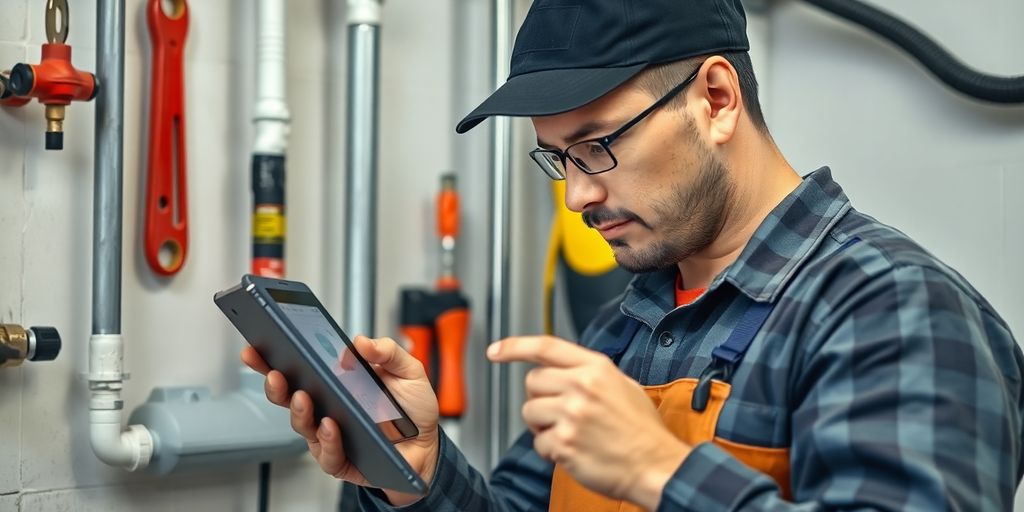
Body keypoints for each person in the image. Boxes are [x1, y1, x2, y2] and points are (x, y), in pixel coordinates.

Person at [242, 0, 1024, 509]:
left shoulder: (896, 311)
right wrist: (419, 472)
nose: (578, 196)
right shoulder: (630, 325)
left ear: (716, 100)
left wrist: (663, 472)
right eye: (559, 159)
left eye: (597, 147)